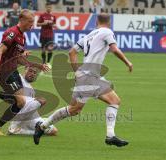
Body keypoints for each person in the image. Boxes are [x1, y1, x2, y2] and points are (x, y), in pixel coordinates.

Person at [33, 13, 133, 147]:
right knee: (75, 109)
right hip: (88, 77)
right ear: (109, 23)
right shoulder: (107, 32)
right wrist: (127, 62)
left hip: (91, 76)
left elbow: (72, 52)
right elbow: (114, 49)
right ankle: (42, 126)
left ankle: (110, 136)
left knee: (113, 101)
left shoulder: (88, 36)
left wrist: (77, 71)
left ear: (97, 21)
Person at [0, 9, 49, 136]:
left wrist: (37, 65)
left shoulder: (22, 36)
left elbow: (18, 58)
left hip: (13, 71)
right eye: (29, 22)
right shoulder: (12, 33)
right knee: (20, 102)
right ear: (21, 21)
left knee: (19, 103)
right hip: (5, 72)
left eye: (33, 22)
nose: (32, 24)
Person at [7, 67, 58, 136]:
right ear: (25, 70)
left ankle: (19, 131)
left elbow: (30, 105)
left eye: (34, 73)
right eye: (30, 71)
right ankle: (14, 126)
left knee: (53, 131)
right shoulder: (18, 78)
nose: (32, 74)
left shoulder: (31, 88)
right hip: (22, 116)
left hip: (31, 117)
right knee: (41, 101)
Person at [37, 2, 56, 69]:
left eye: (50, 7)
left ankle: (48, 62)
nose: (49, 8)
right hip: (43, 35)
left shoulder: (53, 16)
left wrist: (52, 24)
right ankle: (44, 62)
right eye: (48, 7)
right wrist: (44, 23)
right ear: (46, 7)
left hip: (50, 35)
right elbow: (37, 24)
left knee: (50, 49)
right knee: (43, 50)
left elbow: (55, 25)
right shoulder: (42, 15)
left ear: (51, 8)